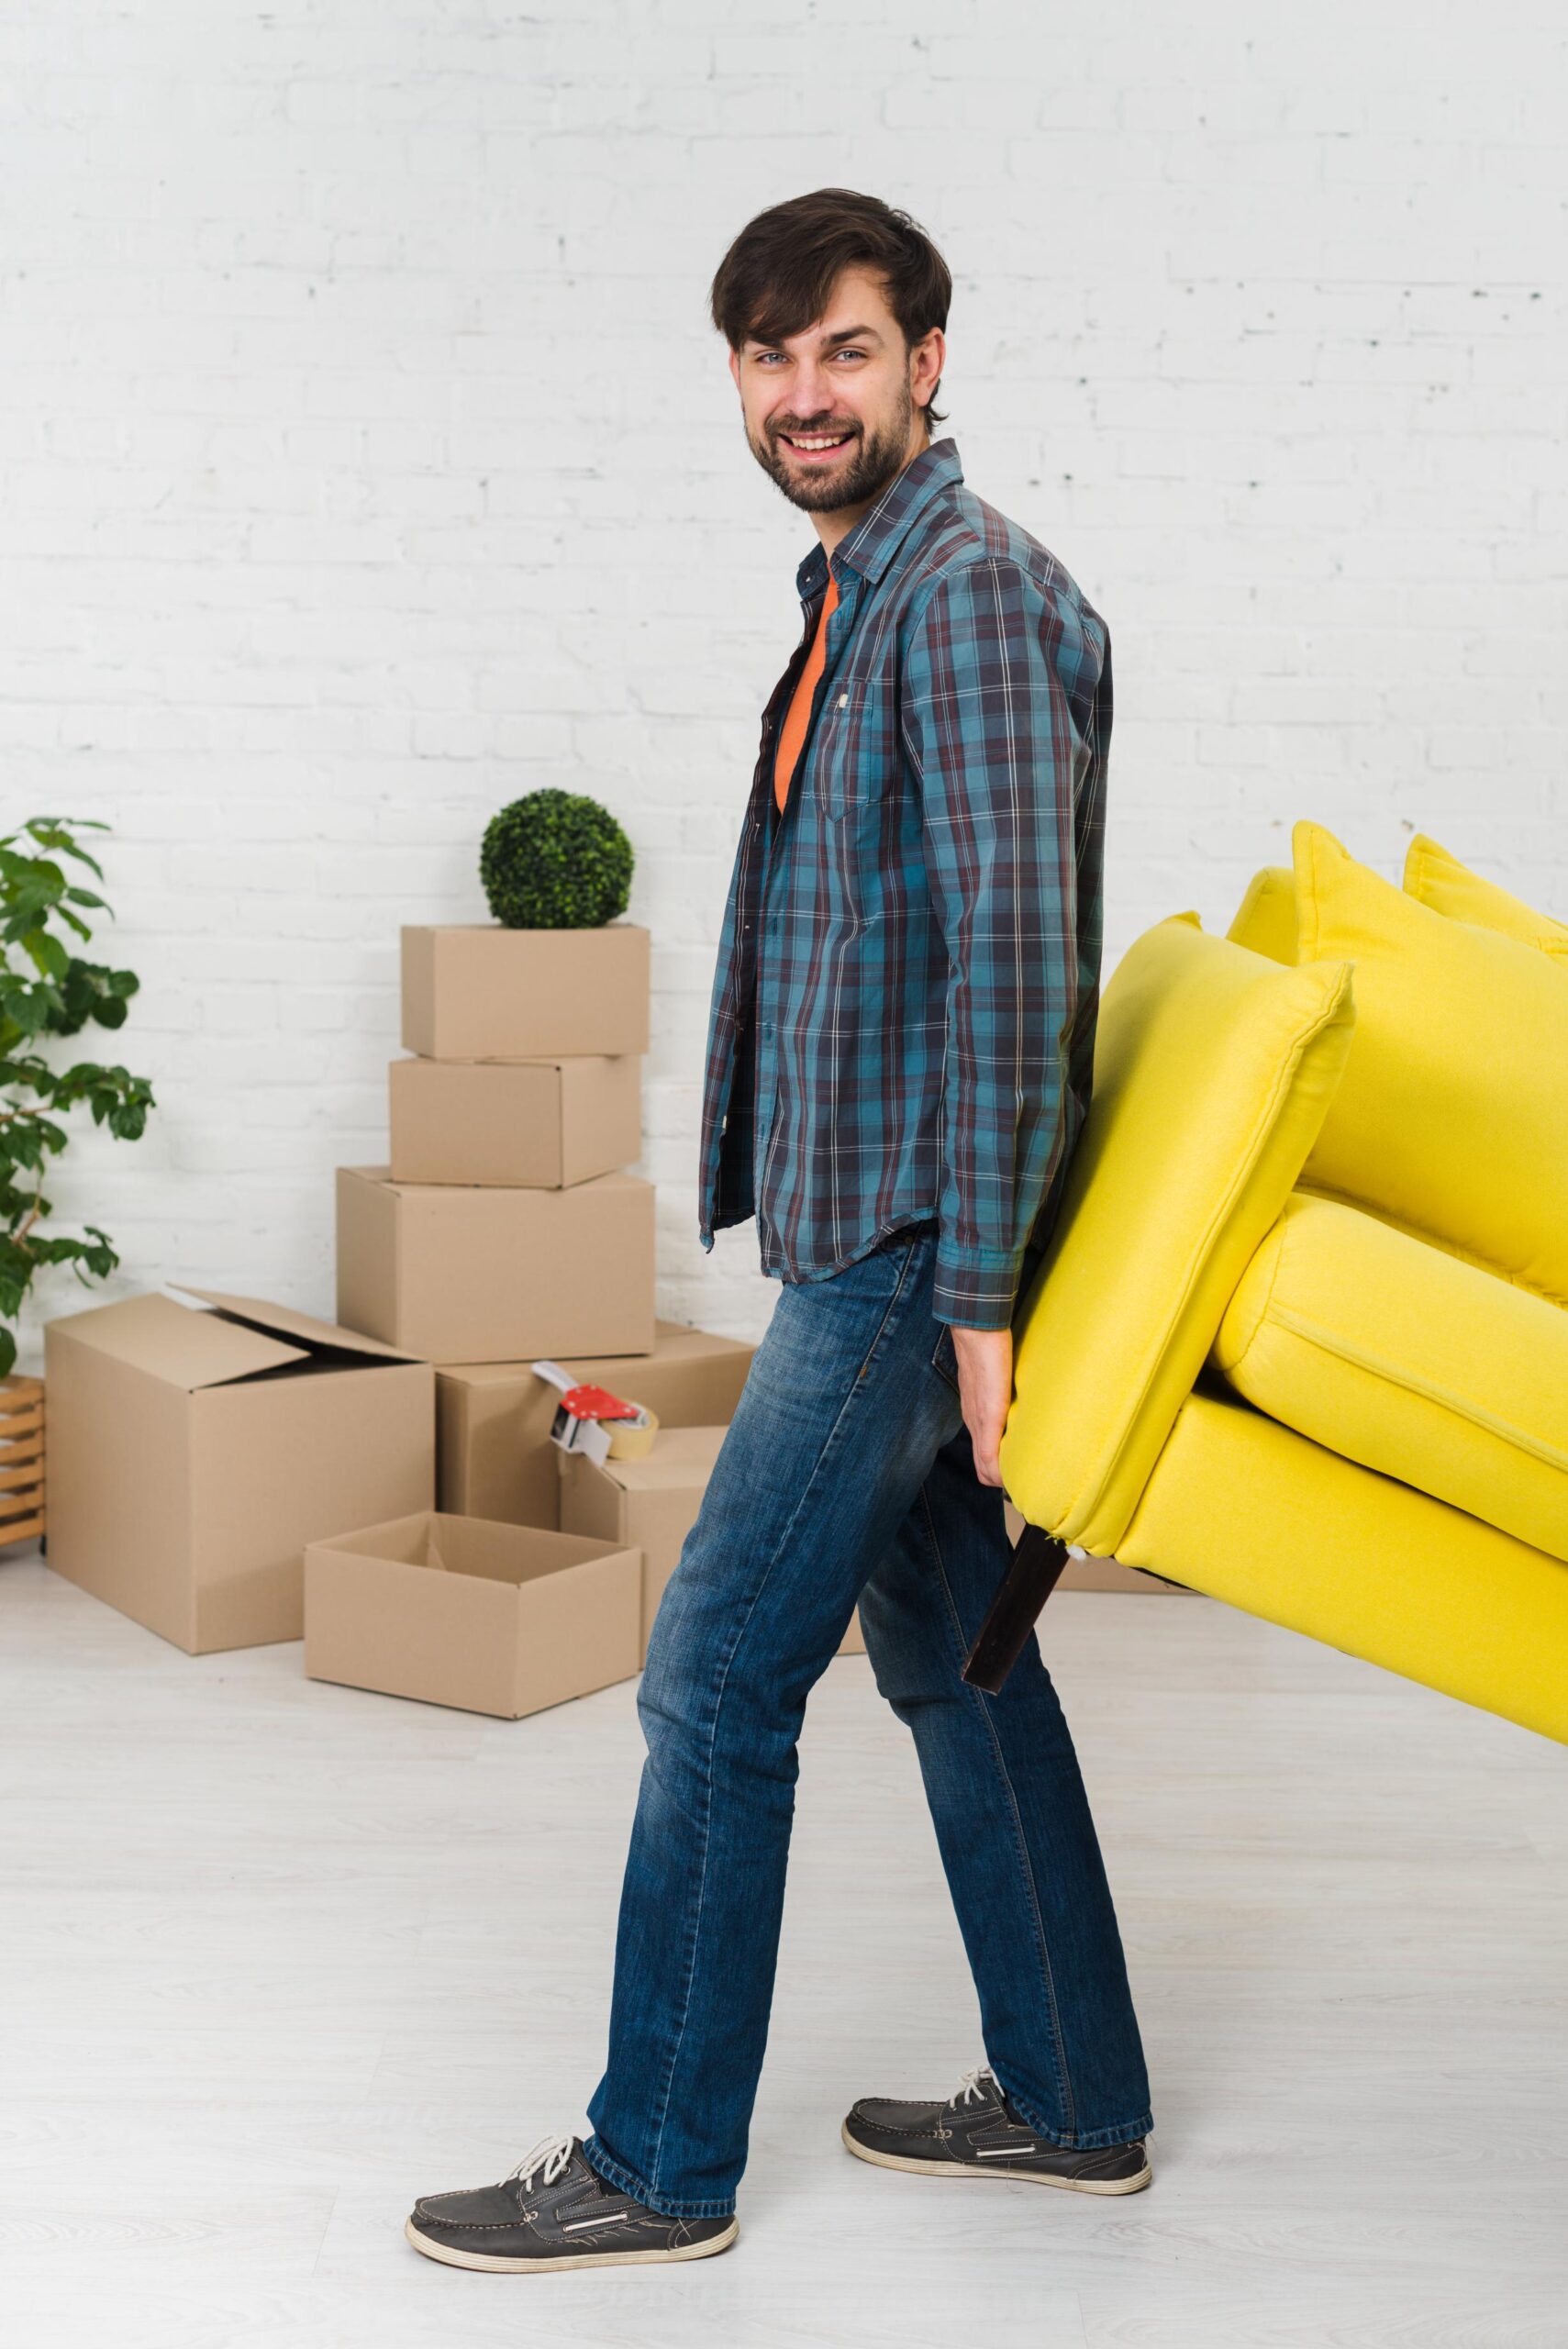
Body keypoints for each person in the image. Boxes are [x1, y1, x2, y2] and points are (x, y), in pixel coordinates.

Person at [406, 186, 1152, 2277]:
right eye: (769, 356)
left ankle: (658, 2160)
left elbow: (1015, 962)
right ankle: (1076, 2097)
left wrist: (979, 1308)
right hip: (881, 1229)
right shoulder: (864, 585)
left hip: (915, 1250)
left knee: (716, 1675)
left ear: (929, 362)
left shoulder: (967, 596)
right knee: (956, 1659)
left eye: (845, 349)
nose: (804, 393)